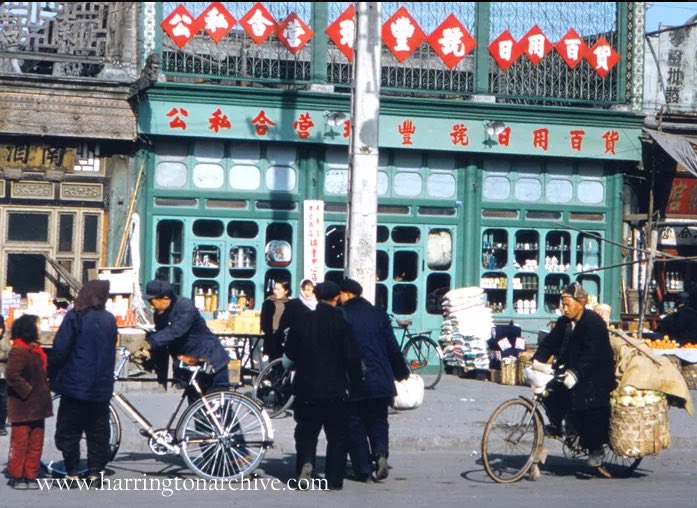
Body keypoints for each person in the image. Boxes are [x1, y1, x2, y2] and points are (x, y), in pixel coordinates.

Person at [283, 281, 363, 490]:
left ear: (316, 297)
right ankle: (333, 480)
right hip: (335, 389)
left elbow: (290, 353)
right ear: (336, 297)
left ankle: (305, 465)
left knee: (306, 431)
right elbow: (352, 359)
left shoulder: (302, 321)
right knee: (337, 436)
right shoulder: (342, 324)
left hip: (306, 387)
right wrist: (356, 383)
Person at [532, 282, 616, 473]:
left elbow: (592, 354)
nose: (564, 308)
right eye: (563, 305)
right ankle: (558, 424)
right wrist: (536, 362)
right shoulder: (564, 322)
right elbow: (550, 343)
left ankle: (596, 449)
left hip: (596, 374)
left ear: (580, 303)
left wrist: (576, 373)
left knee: (588, 405)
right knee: (550, 390)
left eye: (568, 304)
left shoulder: (594, 323)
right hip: (573, 368)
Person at [339, 278, 410, 482]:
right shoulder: (378, 314)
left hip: (355, 380)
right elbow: (392, 347)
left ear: (347, 294)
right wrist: (401, 372)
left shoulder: (343, 315)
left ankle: (362, 468)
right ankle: (380, 454)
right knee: (379, 420)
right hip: (381, 380)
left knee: (355, 423)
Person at [49, 280, 118, 484]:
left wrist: (50, 370)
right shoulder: (109, 319)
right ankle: (95, 473)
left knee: (69, 430)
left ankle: (71, 472)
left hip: (75, 385)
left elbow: (61, 348)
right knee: (98, 431)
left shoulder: (75, 316)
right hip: (101, 386)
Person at [142, 279, 230, 401]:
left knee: (219, 411)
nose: (151, 305)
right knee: (197, 411)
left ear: (165, 298)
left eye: (152, 301)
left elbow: (176, 330)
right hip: (191, 365)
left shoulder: (185, 306)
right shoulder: (160, 314)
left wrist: (150, 343)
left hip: (210, 360)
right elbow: (163, 338)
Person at [5, 314, 52, 490]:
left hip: (38, 405)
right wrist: (29, 391)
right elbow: (12, 376)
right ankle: (17, 475)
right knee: (20, 442)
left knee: (36, 442)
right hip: (23, 405)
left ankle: (31, 474)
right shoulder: (18, 349)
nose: (40, 329)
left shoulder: (35, 349)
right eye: (38, 326)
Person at [260, 280, 291, 361]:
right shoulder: (268, 303)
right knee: (272, 363)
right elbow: (264, 323)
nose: (275, 291)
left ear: (286, 291)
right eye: (275, 289)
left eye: (278, 289)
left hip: (286, 339)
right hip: (271, 338)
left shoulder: (291, 304)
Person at [0, 315, 9, 437]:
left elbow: (8, 355)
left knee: (3, 400)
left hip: (2, 375)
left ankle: (1, 424)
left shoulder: (5, 341)